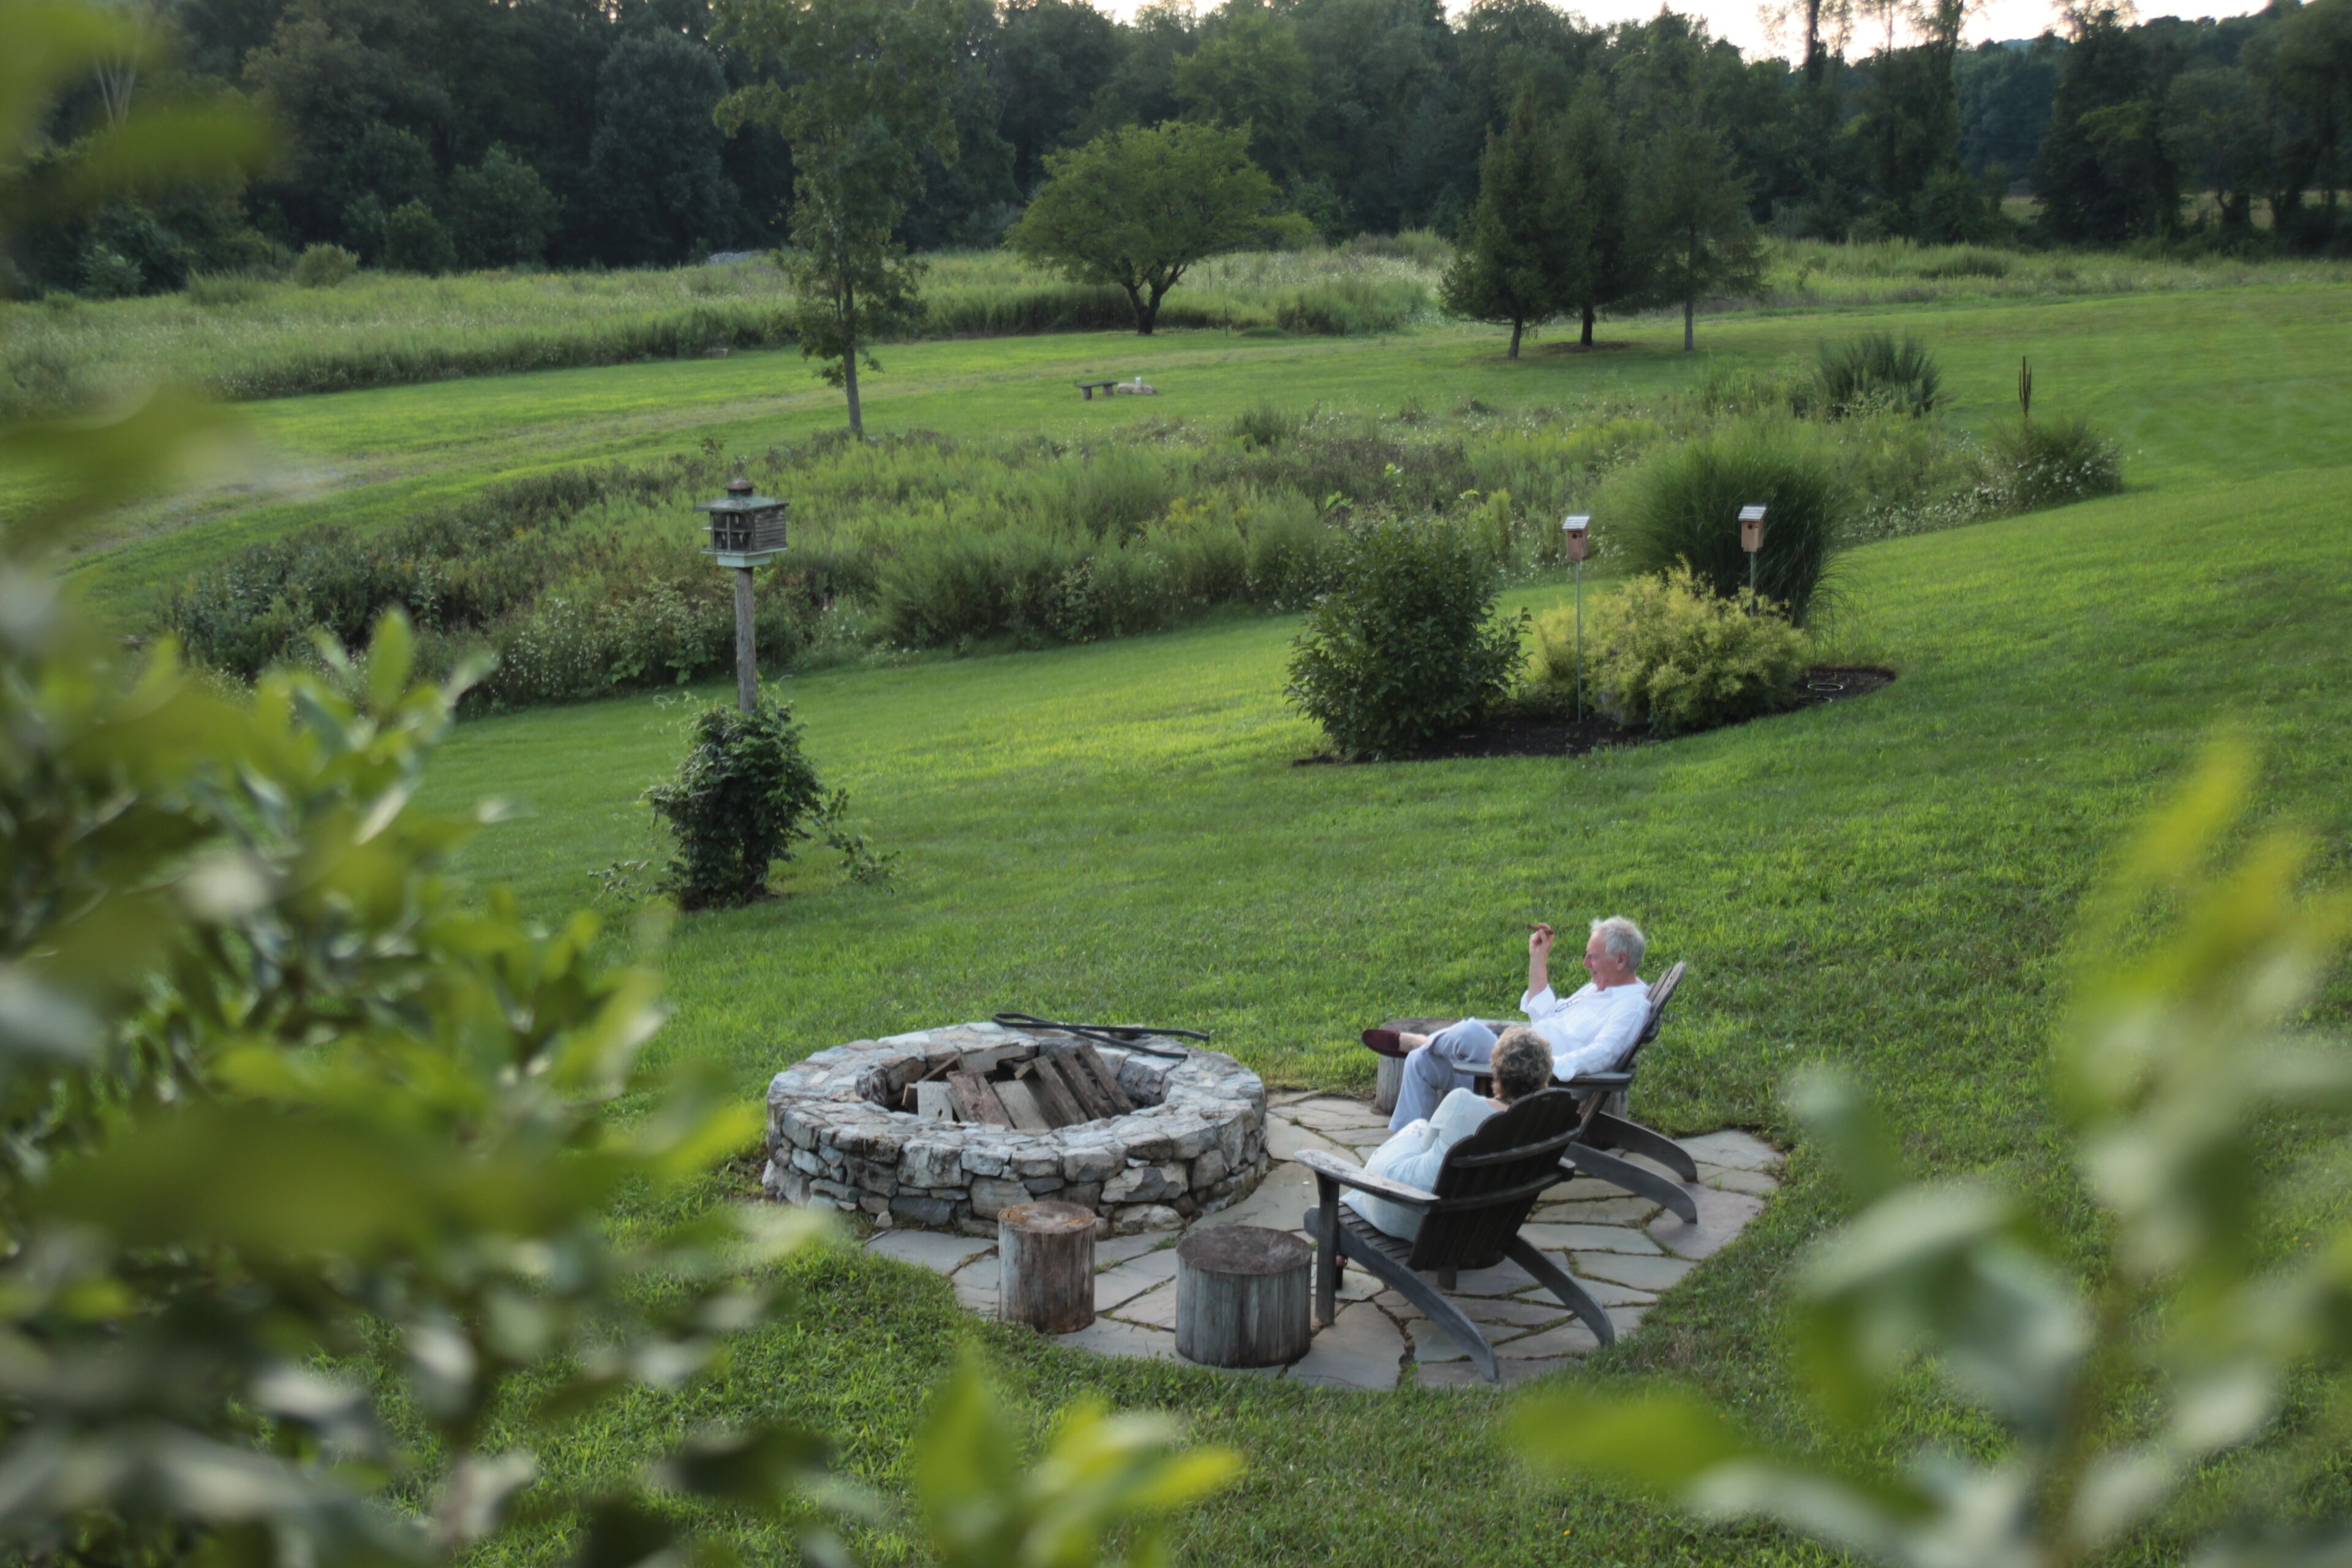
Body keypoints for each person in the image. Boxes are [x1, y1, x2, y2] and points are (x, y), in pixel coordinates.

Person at [1368, 914, 1650, 1131]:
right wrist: (1538, 957)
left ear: (1621, 960)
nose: (1586, 963)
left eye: (1593, 957)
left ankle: (1417, 1040)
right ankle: (1405, 1146)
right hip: (1518, 1074)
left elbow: (1604, 1053)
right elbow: (1545, 1016)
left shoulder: (1630, 1006)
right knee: (1420, 1062)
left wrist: (1546, 1066)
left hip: (1540, 1085)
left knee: (1470, 1032)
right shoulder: (1597, 990)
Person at [1345, 1027, 1556, 1241]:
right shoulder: (1541, 1125)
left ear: (1495, 1070)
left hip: (1416, 1215)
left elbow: (1424, 1146)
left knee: (1414, 1129)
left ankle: (1339, 1220)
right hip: (1477, 1227)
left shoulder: (1462, 1103)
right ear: (1544, 1079)